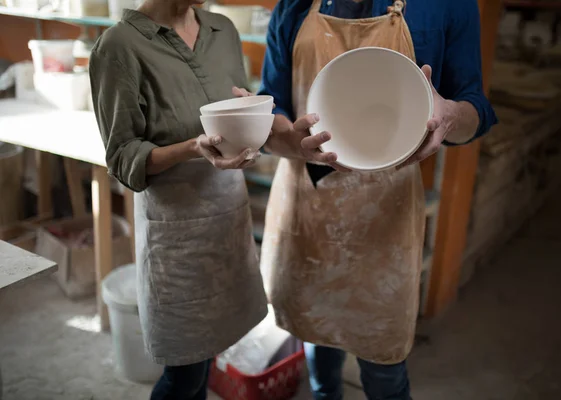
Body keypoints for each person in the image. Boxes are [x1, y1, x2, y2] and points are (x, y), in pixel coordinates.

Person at [255, 0, 498, 399]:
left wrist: (451, 114)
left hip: (387, 215)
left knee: (383, 366)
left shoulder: (448, 5)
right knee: (319, 341)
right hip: (309, 205)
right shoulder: (295, 6)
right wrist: (287, 138)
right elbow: (273, 103)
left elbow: (476, 106)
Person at [89, 1, 268, 399]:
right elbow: (121, 157)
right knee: (184, 374)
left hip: (227, 218)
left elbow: (235, 107)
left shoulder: (222, 30)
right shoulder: (118, 46)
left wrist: (255, 119)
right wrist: (191, 148)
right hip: (176, 235)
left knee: (207, 358)